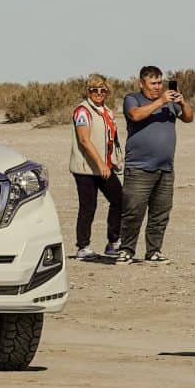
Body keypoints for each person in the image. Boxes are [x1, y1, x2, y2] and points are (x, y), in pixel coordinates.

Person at [118, 66, 195, 264]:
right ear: (142, 83)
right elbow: (135, 115)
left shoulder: (170, 102)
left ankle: (153, 251)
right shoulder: (132, 99)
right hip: (139, 167)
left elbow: (188, 118)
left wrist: (182, 102)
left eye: (160, 83)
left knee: (160, 213)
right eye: (153, 83)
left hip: (166, 168)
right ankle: (126, 250)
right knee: (133, 211)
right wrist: (160, 102)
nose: (157, 87)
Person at [69, 75, 125, 261]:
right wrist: (100, 163)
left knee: (119, 199)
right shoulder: (83, 111)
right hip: (86, 168)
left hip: (105, 166)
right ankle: (83, 247)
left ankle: (114, 241)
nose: (98, 93)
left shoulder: (107, 111)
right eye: (94, 90)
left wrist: (113, 160)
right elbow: (84, 140)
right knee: (88, 206)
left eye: (102, 90)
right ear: (88, 91)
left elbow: (110, 139)